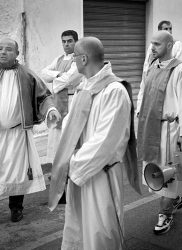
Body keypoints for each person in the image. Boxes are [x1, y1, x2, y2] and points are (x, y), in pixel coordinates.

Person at [48, 36, 141, 250]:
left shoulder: (114, 91)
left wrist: (72, 165)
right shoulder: (83, 87)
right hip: (80, 172)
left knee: (101, 234)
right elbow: (71, 131)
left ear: (83, 59)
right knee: (78, 230)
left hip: (101, 175)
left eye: (74, 59)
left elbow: (106, 142)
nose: (72, 63)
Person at [137, 30, 182, 235]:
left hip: (170, 132)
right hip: (152, 128)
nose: (152, 47)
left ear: (170, 45)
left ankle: (165, 215)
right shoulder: (153, 67)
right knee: (156, 175)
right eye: (152, 43)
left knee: (170, 175)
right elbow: (145, 96)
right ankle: (175, 199)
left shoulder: (181, 70)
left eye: (157, 44)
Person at [0, 38, 61, 222]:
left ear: (17, 54)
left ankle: (16, 208)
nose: (3, 52)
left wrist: (50, 109)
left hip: (18, 134)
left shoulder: (27, 75)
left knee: (18, 171)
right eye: (0, 49)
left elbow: (43, 97)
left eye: (8, 49)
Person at [41, 30, 81, 164]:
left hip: (71, 101)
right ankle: (56, 167)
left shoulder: (78, 59)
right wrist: (58, 74)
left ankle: (69, 166)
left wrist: (56, 79)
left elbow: (69, 79)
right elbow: (44, 74)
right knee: (55, 135)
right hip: (57, 101)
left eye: (70, 41)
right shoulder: (58, 59)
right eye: (64, 41)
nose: (66, 44)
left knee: (68, 134)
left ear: (76, 41)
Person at [136, 20, 182, 115]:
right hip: (154, 77)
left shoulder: (177, 45)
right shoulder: (152, 46)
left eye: (170, 29)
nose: (169, 31)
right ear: (159, 31)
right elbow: (147, 65)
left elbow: (178, 64)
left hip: (168, 80)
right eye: (166, 29)